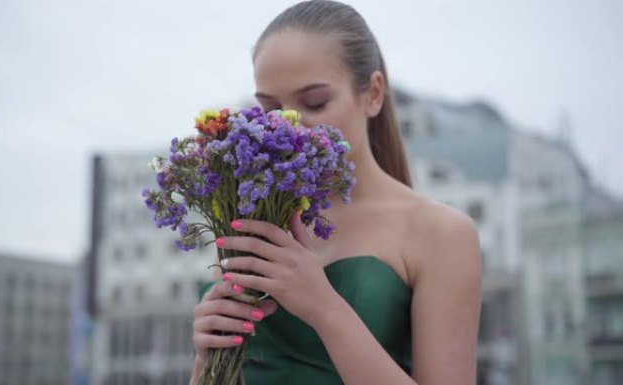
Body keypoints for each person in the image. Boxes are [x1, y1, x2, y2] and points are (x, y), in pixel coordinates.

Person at [189, 1, 482, 384]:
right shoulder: (254, 218)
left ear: (373, 94)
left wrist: (323, 307)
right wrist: (205, 360)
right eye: (270, 109)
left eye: (314, 102)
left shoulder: (441, 232)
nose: (288, 126)